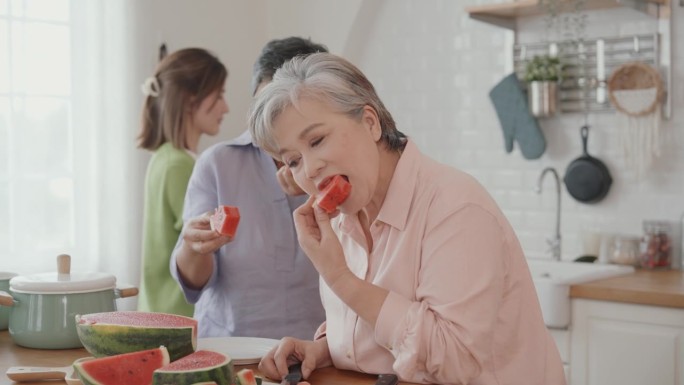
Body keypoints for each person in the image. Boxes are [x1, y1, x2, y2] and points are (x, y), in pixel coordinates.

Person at [248, 53, 567, 385]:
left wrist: (340, 277)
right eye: (293, 161)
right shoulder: (344, 220)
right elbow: (384, 334)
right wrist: (324, 348)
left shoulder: (455, 208)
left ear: (370, 123)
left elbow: (455, 362)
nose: (310, 169)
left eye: (317, 140)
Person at [170, 37, 328, 339]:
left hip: (321, 349)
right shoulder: (217, 163)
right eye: (266, 103)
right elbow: (194, 281)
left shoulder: (339, 167)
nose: (274, 119)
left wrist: (316, 187)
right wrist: (194, 246)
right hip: (231, 349)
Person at [137, 48, 229, 316]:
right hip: (177, 315)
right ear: (191, 99)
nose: (226, 107)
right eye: (219, 95)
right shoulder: (179, 165)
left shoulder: (166, 158)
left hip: (160, 311)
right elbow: (207, 239)